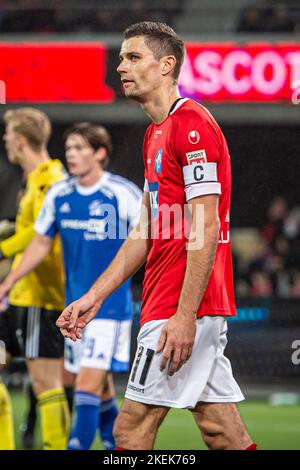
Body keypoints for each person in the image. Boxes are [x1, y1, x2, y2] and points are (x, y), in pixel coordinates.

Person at [55, 22, 257, 450]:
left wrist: (184, 316)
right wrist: (95, 296)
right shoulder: (155, 135)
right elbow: (145, 232)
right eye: (121, 58)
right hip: (176, 303)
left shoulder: (193, 126)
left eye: (133, 57)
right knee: (223, 434)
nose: (120, 66)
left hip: (180, 307)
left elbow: (205, 227)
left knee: (128, 432)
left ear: (167, 65)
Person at [0, 122, 142, 450]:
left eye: (80, 148)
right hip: (73, 310)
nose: (72, 155)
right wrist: (9, 281)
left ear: (101, 153)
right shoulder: (60, 194)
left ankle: (75, 445)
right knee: (96, 387)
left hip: (109, 310)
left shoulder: (122, 193)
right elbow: (39, 243)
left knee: (86, 387)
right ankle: (112, 445)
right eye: (69, 148)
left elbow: (150, 238)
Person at [0, 108, 69, 450]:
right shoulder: (36, 179)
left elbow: (41, 233)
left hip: (40, 297)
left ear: (21, 140)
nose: (5, 140)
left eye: (8, 134)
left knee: (46, 384)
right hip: (19, 297)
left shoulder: (49, 179)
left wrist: (4, 244)